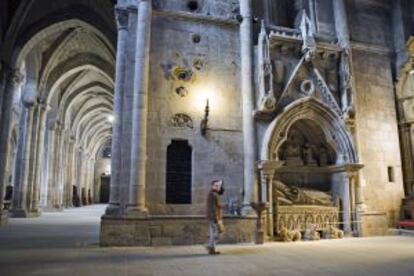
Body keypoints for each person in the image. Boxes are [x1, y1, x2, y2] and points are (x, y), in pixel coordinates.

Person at [206, 179, 224, 255]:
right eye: (216, 185)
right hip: (214, 217)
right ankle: (210, 246)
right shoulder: (213, 194)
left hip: (213, 216)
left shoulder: (214, 193)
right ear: (213, 186)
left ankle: (211, 248)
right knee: (218, 232)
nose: (218, 187)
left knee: (213, 233)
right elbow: (213, 207)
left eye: (219, 185)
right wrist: (216, 218)